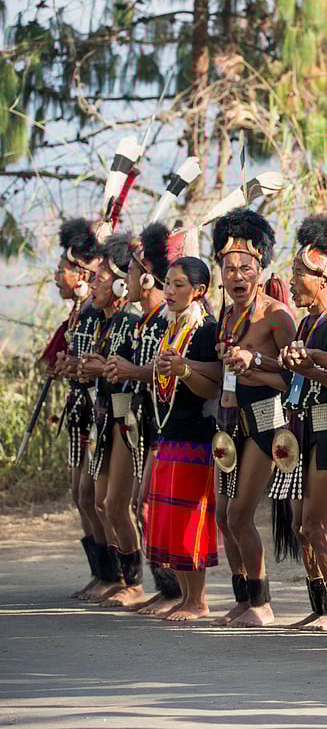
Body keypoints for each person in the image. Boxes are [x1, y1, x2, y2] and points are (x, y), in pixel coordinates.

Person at [210, 207, 297, 627]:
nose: (238, 276)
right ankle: (244, 597)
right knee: (223, 516)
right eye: (230, 268)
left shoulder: (277, 314)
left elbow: (295, 378)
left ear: (260, 269)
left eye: (246, 267)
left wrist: (254, 359)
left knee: (240, 514)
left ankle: (262, 602)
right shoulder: (226, 317)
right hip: (231, 425)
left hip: (266, 423)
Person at [278, 215, 327, 632]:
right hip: (301, 426)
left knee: (315, 522)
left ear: (323, 278)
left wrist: (309, 366)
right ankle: (321, 602)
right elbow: (297, 375)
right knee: (297, 525)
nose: (291, 282)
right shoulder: (308, 323)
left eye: (297, 274)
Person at [102, 222, 179, 614]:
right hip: (134, 421)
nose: (126, 279)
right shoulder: (139, 322)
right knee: (123, 502)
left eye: (131, 272)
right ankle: (140, 583)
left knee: (148, 506)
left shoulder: (169, 320)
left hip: (162, 424)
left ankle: (173, 588)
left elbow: (167, 369)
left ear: (147, 277)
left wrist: (132, 372)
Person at [144, 256, 222, 620]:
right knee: (171, 520)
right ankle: (185, 596)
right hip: (171, 431)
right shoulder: (172, 327)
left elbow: (213, 386)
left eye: (178, 285)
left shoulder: (206, 329)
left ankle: (198, 600)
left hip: (197, 435)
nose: (170, 291)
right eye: (167, 283)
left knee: (191, 518)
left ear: (199, 291)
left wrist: (185, 369)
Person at [78, 232, 141, 605]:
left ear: (120, 284)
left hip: (126, 419)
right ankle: (115, 575)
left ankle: (132, 583)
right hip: (103, 418)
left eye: (100, 278)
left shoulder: (131, 321)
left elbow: (136, 372)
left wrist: (109, 368)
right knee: (101, 502)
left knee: (115, 503)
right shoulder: (104, 322)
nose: (92, 285)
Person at [50, 218, 104, 599]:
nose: (55, 274)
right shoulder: (78, 311)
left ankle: (120, 575)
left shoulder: (96, 311)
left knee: (92, 496)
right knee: (79, 494)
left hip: (98, 409)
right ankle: (102, 573)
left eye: (61, 268)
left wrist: (82, 367)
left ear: (80, 273)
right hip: (78, 409)